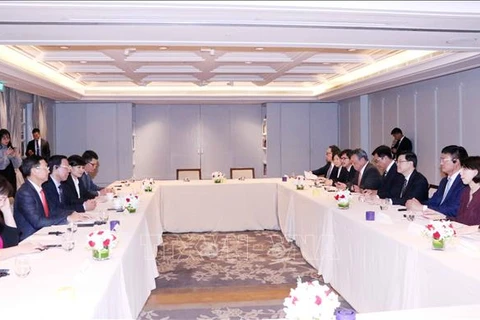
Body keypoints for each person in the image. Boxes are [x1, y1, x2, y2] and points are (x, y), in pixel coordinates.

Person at [13, 155, 86, 241]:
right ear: (34, 171)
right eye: (45, 168)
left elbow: (52, 210)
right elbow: (37, 222)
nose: (48, 171)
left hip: (44, 233)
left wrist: (73, 213)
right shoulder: (25, 193)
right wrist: (67, 218)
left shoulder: (40, 189)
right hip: (30, 238)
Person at [406, 145, 468, 217]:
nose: (441, 163)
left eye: (444, 160)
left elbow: (455, 210)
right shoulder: (444, 181)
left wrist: (423, 208)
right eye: (441, 160)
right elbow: (434, 201)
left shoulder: (464, 182)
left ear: (456, 161)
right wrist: (417, 203)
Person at [454, 156, 480, 226]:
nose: (460, 173)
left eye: (464, 169)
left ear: (475, 172)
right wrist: (444, 218)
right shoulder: (466, 191)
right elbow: (460, 219)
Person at [0, 129, 22, 197]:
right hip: (1, 177)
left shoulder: (12, 149)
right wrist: (6, 155)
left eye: (8, 138)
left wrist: (15, 156)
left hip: (11, 176)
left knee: (12, 195)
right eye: (4, 138)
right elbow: (2, 167)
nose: (6, 140)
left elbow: (17, 165)